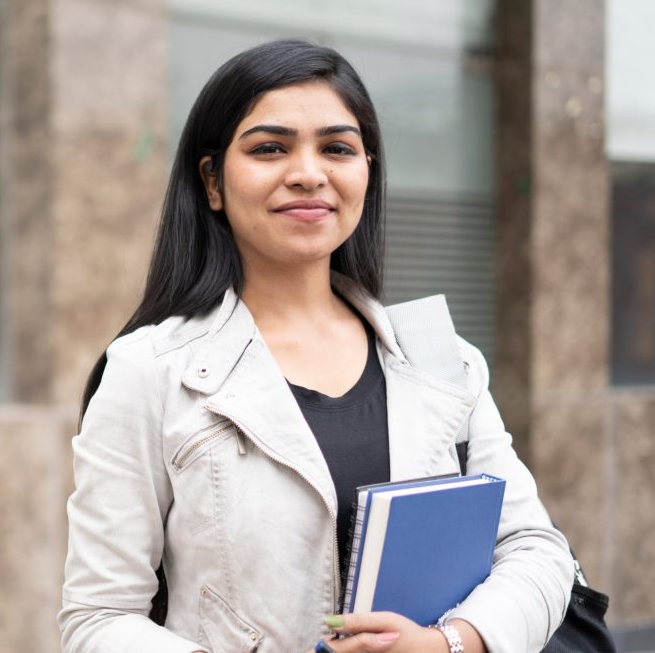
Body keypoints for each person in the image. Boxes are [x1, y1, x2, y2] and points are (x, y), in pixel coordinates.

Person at [59, 39, 573, 653]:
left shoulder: (443, 358)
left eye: (337, 148)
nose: (309, 173)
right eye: (270, 148)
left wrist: (449, 643)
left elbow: (535, 549)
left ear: (366, 173)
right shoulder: (151, 369)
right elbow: (97, 618)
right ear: (213, 181)